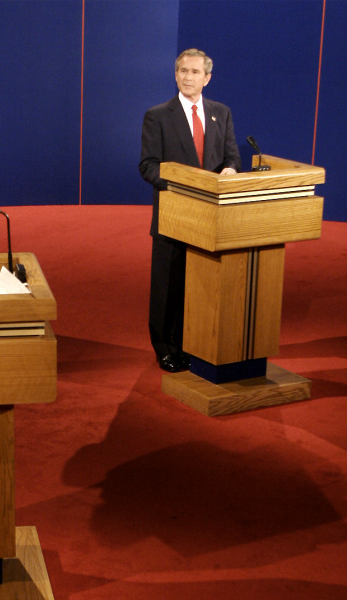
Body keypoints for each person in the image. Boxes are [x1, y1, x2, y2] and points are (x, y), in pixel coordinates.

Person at [139, 49, 241, 372]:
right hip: (174, 215)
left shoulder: (220, 113)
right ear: (175, 75)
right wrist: (178, 185)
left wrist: (232, 171)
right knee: (167, 287)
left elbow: (231, 157)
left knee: (197, 285)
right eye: (182, 71)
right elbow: (147, 166)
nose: (187, 77)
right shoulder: (157, 115)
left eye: (195, 72)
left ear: (207, 78)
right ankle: (165, 348)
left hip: (210, 217)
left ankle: (191, 343)